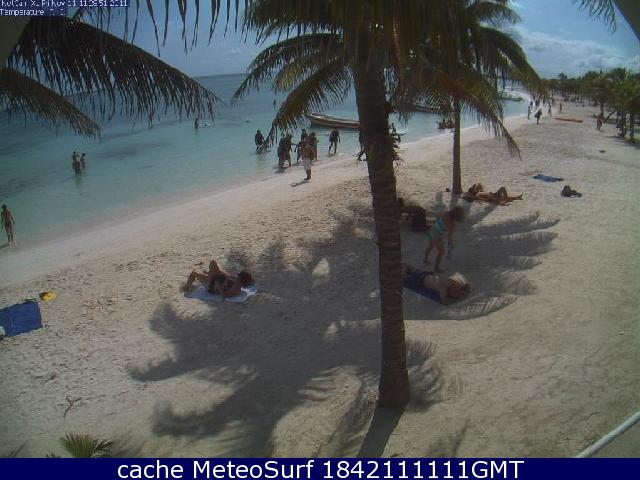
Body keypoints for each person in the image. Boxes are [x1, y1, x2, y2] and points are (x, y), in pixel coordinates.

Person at [182, 259, 254, 298]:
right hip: (219, 279)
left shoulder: (236, 290)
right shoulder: (237, 281)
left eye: (239, 276)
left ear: (241, 279)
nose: (237, 276)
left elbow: (225, 295)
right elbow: (228, 276)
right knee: (213, 263)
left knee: (194, 273)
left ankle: (187, 287)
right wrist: (220, 272)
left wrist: (219, 286)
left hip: (212, 286)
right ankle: (209, 273)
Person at [424, 206, 464, 273]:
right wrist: (451, 244)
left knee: (430, 246)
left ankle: (425, 259)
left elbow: (437, 217)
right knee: (441, 252)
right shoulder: (452, 224)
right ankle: (436, 268)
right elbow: (449, 237)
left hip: (432, 231)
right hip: (438, 237)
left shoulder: (446, 213)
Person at [404, 264, 470, 305]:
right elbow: (444, 301)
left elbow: (466, 286)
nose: (457, 291)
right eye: (456, 292)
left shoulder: (455, 284)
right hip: (420, 280)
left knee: (411, 269)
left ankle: (405, 267)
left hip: (427, 276)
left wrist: (462, 293)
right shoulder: (443, 288)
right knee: (406, 274)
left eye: (457, 291)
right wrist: (456, 299)